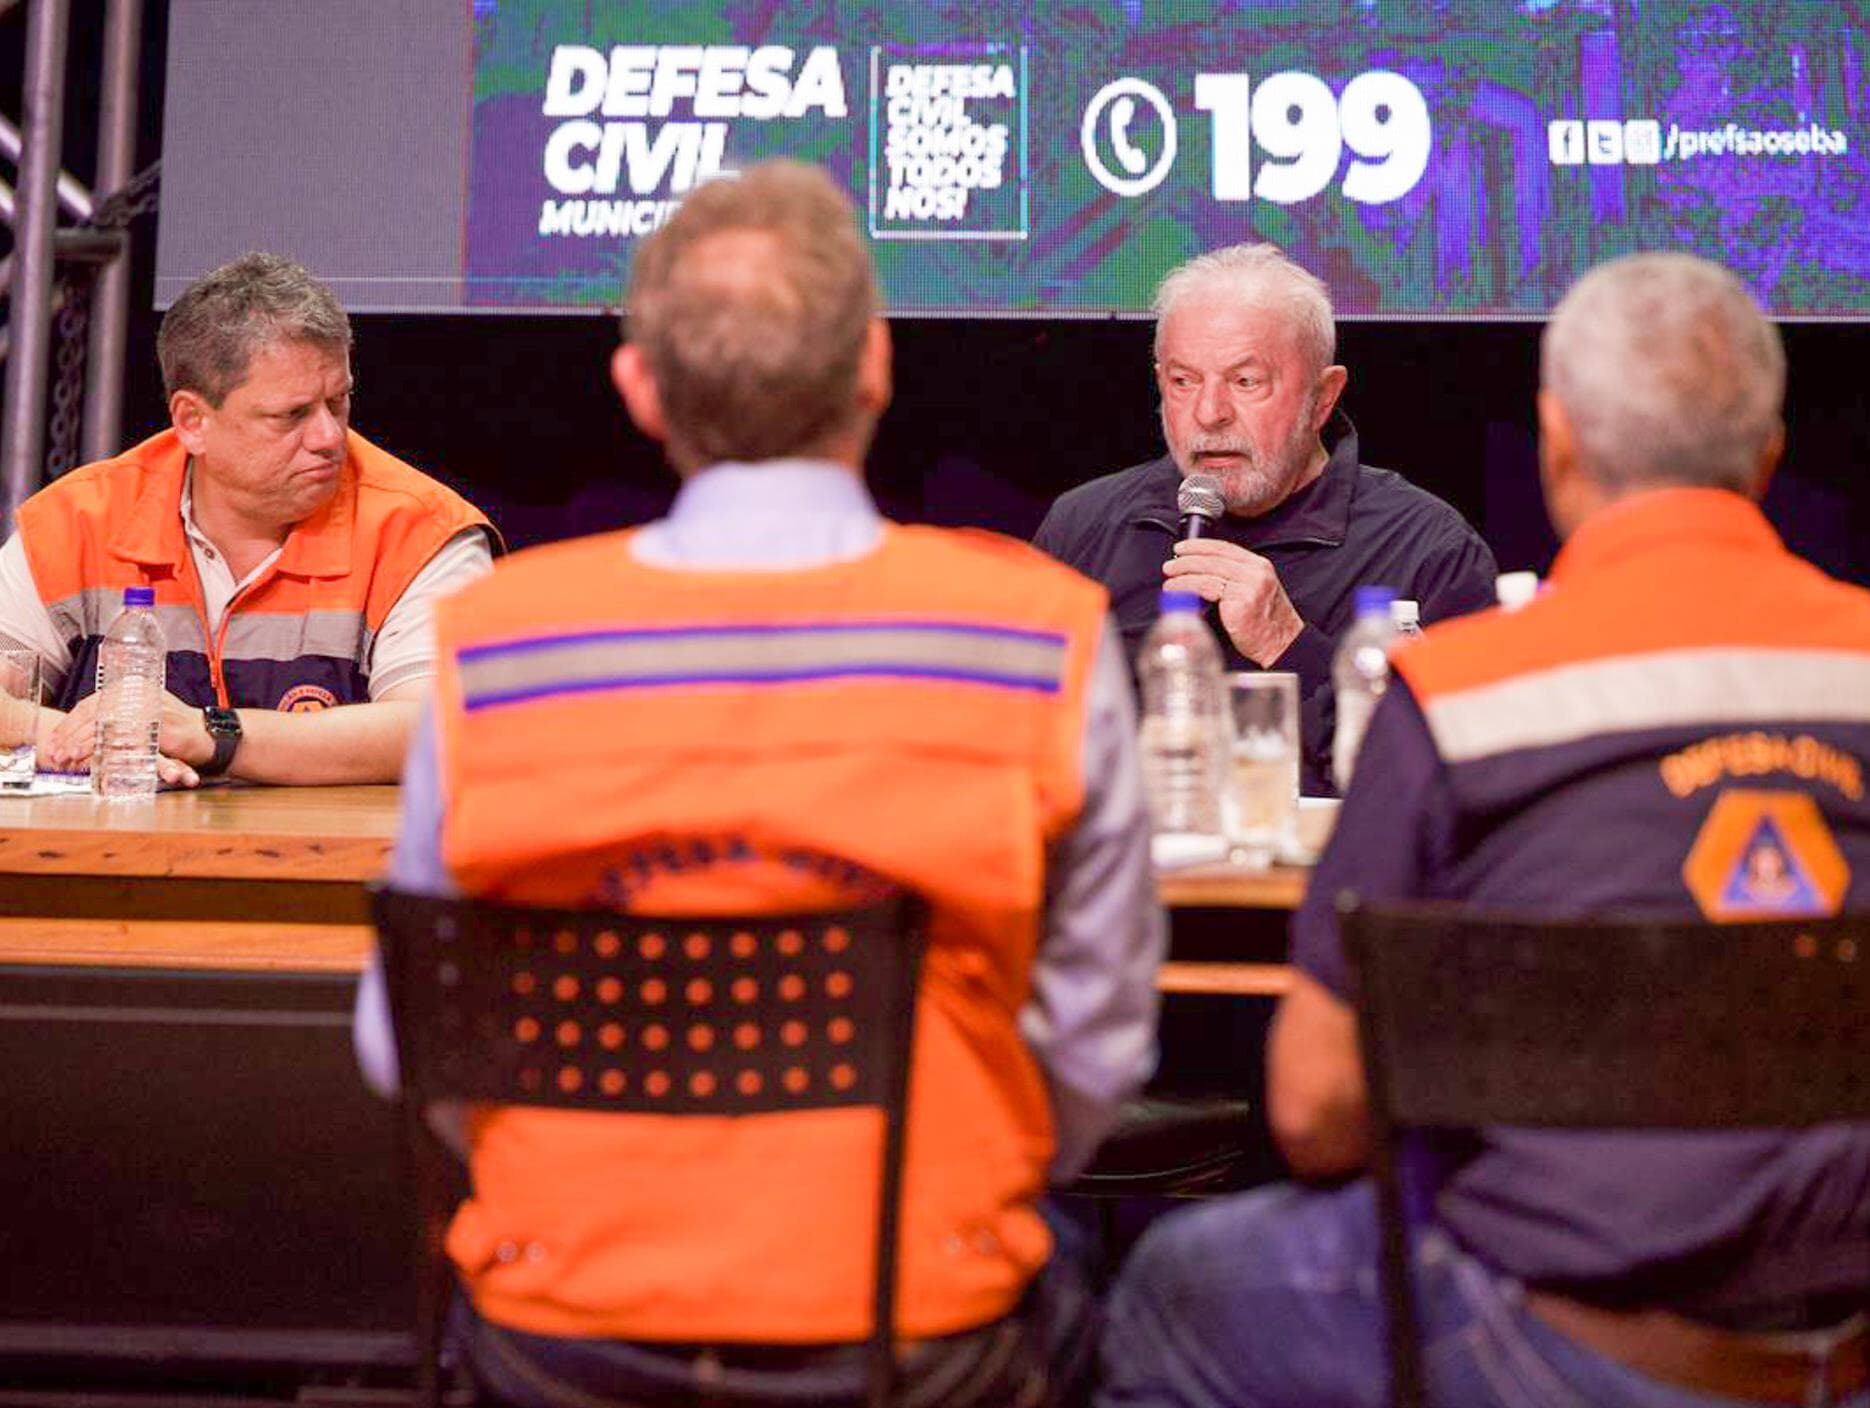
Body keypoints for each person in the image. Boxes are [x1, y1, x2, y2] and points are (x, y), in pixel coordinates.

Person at [353, 159, 1164, 1407]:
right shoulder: (1039, 638)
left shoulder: (500, 644)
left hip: (561, 1334)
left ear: (638, 386)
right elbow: (1094, 1044)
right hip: (922, 1335)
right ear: (875, 366)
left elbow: (405, 1036)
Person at [1099, 251, 1870, 1408]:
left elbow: (1311, 1111)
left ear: (1556, 444)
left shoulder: (1460, 691)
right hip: (1843, 1337)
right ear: (1767, 452)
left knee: (1172, 1281)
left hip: (1556, 1333)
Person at [0, 252, 497, 786]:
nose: (330, 437)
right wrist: (67, 738)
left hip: (336, 866)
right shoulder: (80, 519)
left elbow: (442, 726)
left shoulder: (423, 531)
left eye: (339, 401)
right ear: (193, 422)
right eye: (292, 414)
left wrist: (213, 735)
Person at [1033, 244, 1496, 793]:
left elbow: (1466, 776)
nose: (1209, 414)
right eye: (1183, 382)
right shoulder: (1084, 528)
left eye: (1245, 382)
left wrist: (1290, 644)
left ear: (1323, 398)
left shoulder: (1430, 550)